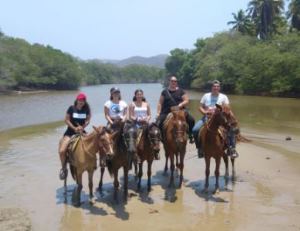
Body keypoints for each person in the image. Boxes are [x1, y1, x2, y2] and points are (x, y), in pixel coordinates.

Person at [192, 80, 238, 158]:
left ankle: (231, 148)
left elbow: (227, 108)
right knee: (195, 130)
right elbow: (200, 107)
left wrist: (228, 116)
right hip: (207, 117)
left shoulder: (224, 97)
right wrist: (205, 112)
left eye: (217, 86)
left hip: (220, 119)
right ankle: (199, 148)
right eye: (214, 86)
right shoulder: (206, 95)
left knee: (231, 129)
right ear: (212, 87)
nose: (215, 88)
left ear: (219, 88)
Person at [58, 92, 91, 180]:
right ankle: (64, 168)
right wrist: (74, 128)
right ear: (77, 100)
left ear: (85, 101)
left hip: (82, 131)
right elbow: (66, 120)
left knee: (95, 143)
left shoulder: (86, 109)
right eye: (80, 100)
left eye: (83, 100)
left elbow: (88, 120)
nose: (81, 102)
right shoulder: (71, 108)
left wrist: (82, 127)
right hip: (70, 132)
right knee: (62, 151)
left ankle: (93, 164)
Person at [156, 75, 195, 143]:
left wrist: (181, 105)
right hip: (167, 111)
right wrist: (158, 112)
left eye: (175, 81)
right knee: (158, 122)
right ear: (169, 82)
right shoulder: (164, 92)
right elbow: (160, 103)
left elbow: (186, 100)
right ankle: (160, 137)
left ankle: (190, 134)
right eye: (172, 81)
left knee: (191, 120)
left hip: (180, 111)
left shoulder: (181, 91)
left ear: (176, 82)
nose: (173, 82)